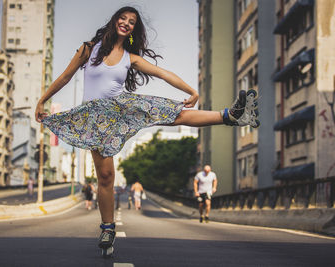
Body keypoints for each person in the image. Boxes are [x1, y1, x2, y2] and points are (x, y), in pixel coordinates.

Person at [35, 6, 259, 256]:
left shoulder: (130, 58)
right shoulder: (89, 48)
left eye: (131, 22)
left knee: (174, 113)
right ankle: (107, 228)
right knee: (106, 176)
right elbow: (66, 77)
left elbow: (162, 73)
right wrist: (43, 99)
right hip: (95, 118)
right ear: (114, 21)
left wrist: (191, 91)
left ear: (133, 30)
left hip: (122, 108)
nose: (126, 23)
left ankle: (232, 115)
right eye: (123, 18)